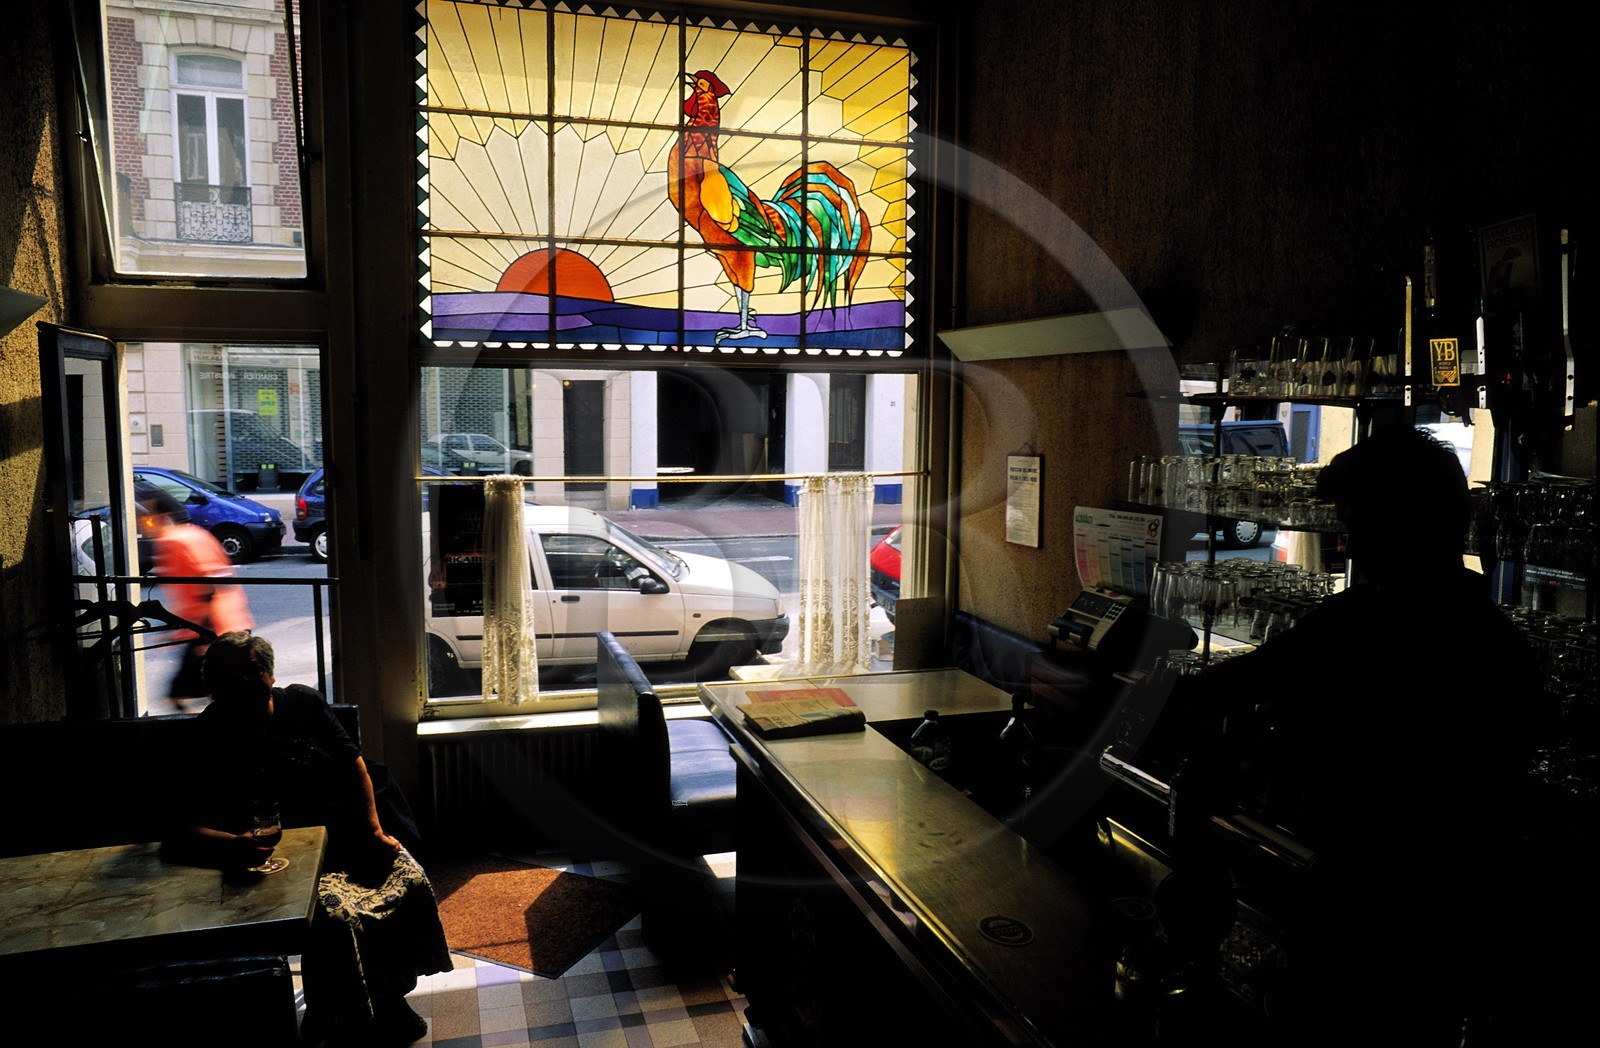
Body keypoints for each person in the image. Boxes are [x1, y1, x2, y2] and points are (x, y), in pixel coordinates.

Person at [1147, 425, 1546, 1046]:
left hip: (1377, 913)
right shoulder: (1497, 643)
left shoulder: (1367, 626)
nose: (1348, 539)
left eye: (1358, 521)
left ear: (1402, 522)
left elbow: (1238, 692)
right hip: (1436, 923)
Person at [166, 632, 452, 1046]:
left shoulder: (302, 703)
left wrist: (373, 829)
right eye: (227, 678)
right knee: (334, 917)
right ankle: (336, 1007)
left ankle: (387, 996)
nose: (242, 684)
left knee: (408, 878)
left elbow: (355, 765)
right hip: (279, 858)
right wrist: (233, 843)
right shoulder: (208, 733)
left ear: (269, 673)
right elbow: (179, 824)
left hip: (344, 832)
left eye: (251, 673)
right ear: (213, 684)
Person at [144, 489, 254, 710]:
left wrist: (203, 632)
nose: (142, 521)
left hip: (210, 627)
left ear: (160, 516)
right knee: (220, 691)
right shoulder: (194, 533)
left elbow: (208, 583)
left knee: (187, 693)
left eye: (146, 516)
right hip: (229, 621)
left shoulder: (172, 541)